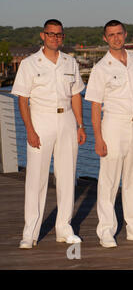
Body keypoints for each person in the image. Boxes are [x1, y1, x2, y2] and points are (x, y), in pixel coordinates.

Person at [85, 20, 133, 248]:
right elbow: (95, 106)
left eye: (119, 33)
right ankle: (106, 230)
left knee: (131, 179)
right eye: (111, 35)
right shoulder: (101, 68)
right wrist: (98, 137)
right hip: (113, 127)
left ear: (125, 35)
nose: (116, 38)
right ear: (105, 39)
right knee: (108, 180)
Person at [12, 19, 86, 249]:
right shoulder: (29, 64)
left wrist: (81, 125)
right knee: (36, 179)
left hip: (66, 120)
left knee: (67, 177)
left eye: (59, 35)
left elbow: (75, 95)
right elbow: (23, 100)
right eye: (51, 34)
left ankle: (64, 228)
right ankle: (30, 233)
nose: (55, 38)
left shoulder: (70, 62)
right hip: (41, 120)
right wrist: (30, 130)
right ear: (42, 36)